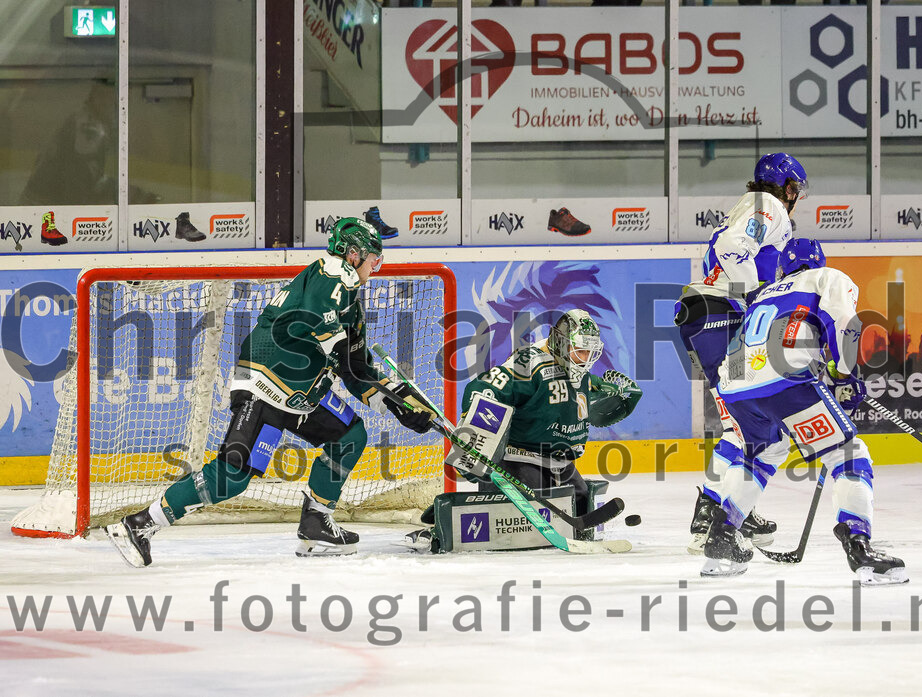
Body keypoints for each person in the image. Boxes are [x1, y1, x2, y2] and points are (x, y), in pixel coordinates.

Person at [104, 218, 436, 567]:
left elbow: (356, 370)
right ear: (353, 254)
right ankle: (140, 524)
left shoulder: (349, 301)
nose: (375, 267)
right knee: (232, 477)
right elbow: (316, 325)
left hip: (299, 392)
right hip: (267, 382)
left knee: (350, 435)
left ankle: (316, 523)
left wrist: (400, 403)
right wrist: (346, 353)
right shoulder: (335, 273)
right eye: (373, 258)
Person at [704, 237, 907, 585]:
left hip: (734, 386)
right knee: (846, 454)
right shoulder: (827, 277)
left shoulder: (765, 294)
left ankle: (720, 538)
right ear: (818, 260)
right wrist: (843, 374)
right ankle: (859, 547)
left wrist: (825, 373)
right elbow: (844, 323)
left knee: (762, 453)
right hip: (784, 381)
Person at [410, 309, 641, 548]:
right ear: (561, 343)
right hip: (519, 461)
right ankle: (436, 526)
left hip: (561, 464)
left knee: (580, 508)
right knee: (519, 524)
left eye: (589, 353)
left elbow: (583, 388)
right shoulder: (529, 364)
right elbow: (484, 389)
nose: (584, 358)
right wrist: (473, 443)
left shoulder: (576, 367)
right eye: (579, 350)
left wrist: (605, 392)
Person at [674, 152, 808, 554]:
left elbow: (729, 249)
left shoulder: (749, 206)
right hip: (722, 316)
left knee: (749, 423)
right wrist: (753, 300)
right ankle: (713, 512)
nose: (797, 195)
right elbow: (732, 248)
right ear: (785, 185)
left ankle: (727, 509)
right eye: (795, 187)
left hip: (712, 315)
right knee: (748, 426)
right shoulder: (769, 207)